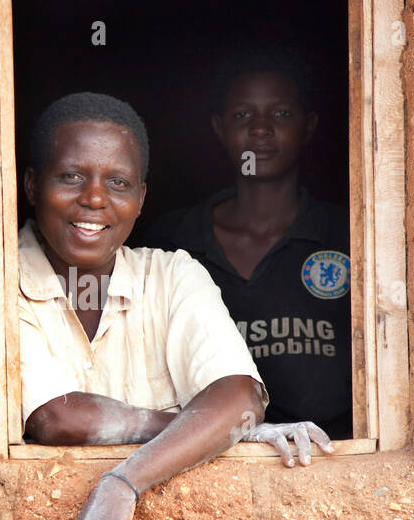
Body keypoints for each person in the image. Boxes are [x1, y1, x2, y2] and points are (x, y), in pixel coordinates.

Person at [17, 92, 334, 520]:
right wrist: (215, 433)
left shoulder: (174, 275)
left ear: (141, 199)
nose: (94, 198)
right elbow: (55, 417)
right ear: (33, 184)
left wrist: (122, 483)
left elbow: (238, 398)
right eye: (71, 176)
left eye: (117, 183)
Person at [140, 51, 354, 439]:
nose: (260, 129)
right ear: (219, 128)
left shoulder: (348, 234)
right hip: (213, 450)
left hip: (331, 451)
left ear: (309, 127)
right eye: (242, 115)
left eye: (281, 114)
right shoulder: (174, 242)